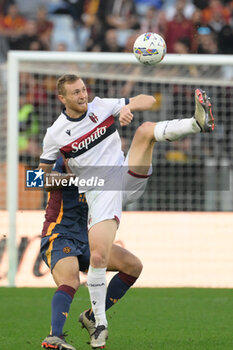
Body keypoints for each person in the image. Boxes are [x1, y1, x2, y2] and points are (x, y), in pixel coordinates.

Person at [39, 74, 215, 348]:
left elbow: (148, 99)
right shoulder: (56, 134)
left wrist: (127, 107)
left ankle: (196, 123)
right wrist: (78, 180)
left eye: (84, 90)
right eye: (75, 93)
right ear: (62, 98)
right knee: (99, 256)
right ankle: (96, 323)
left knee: (145, 130)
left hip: (123, 176)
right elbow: (39, 179)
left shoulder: (100, 105)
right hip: (101, 190)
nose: (83, 96)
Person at [40, 156, 143, 350]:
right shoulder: (64, 154)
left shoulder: (104, 158)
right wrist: (74, 179)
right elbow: (36, 179)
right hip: (60, 234)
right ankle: (54, 337)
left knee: (133, 266)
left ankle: (93, 317)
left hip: (88, 237)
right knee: (70, 280)